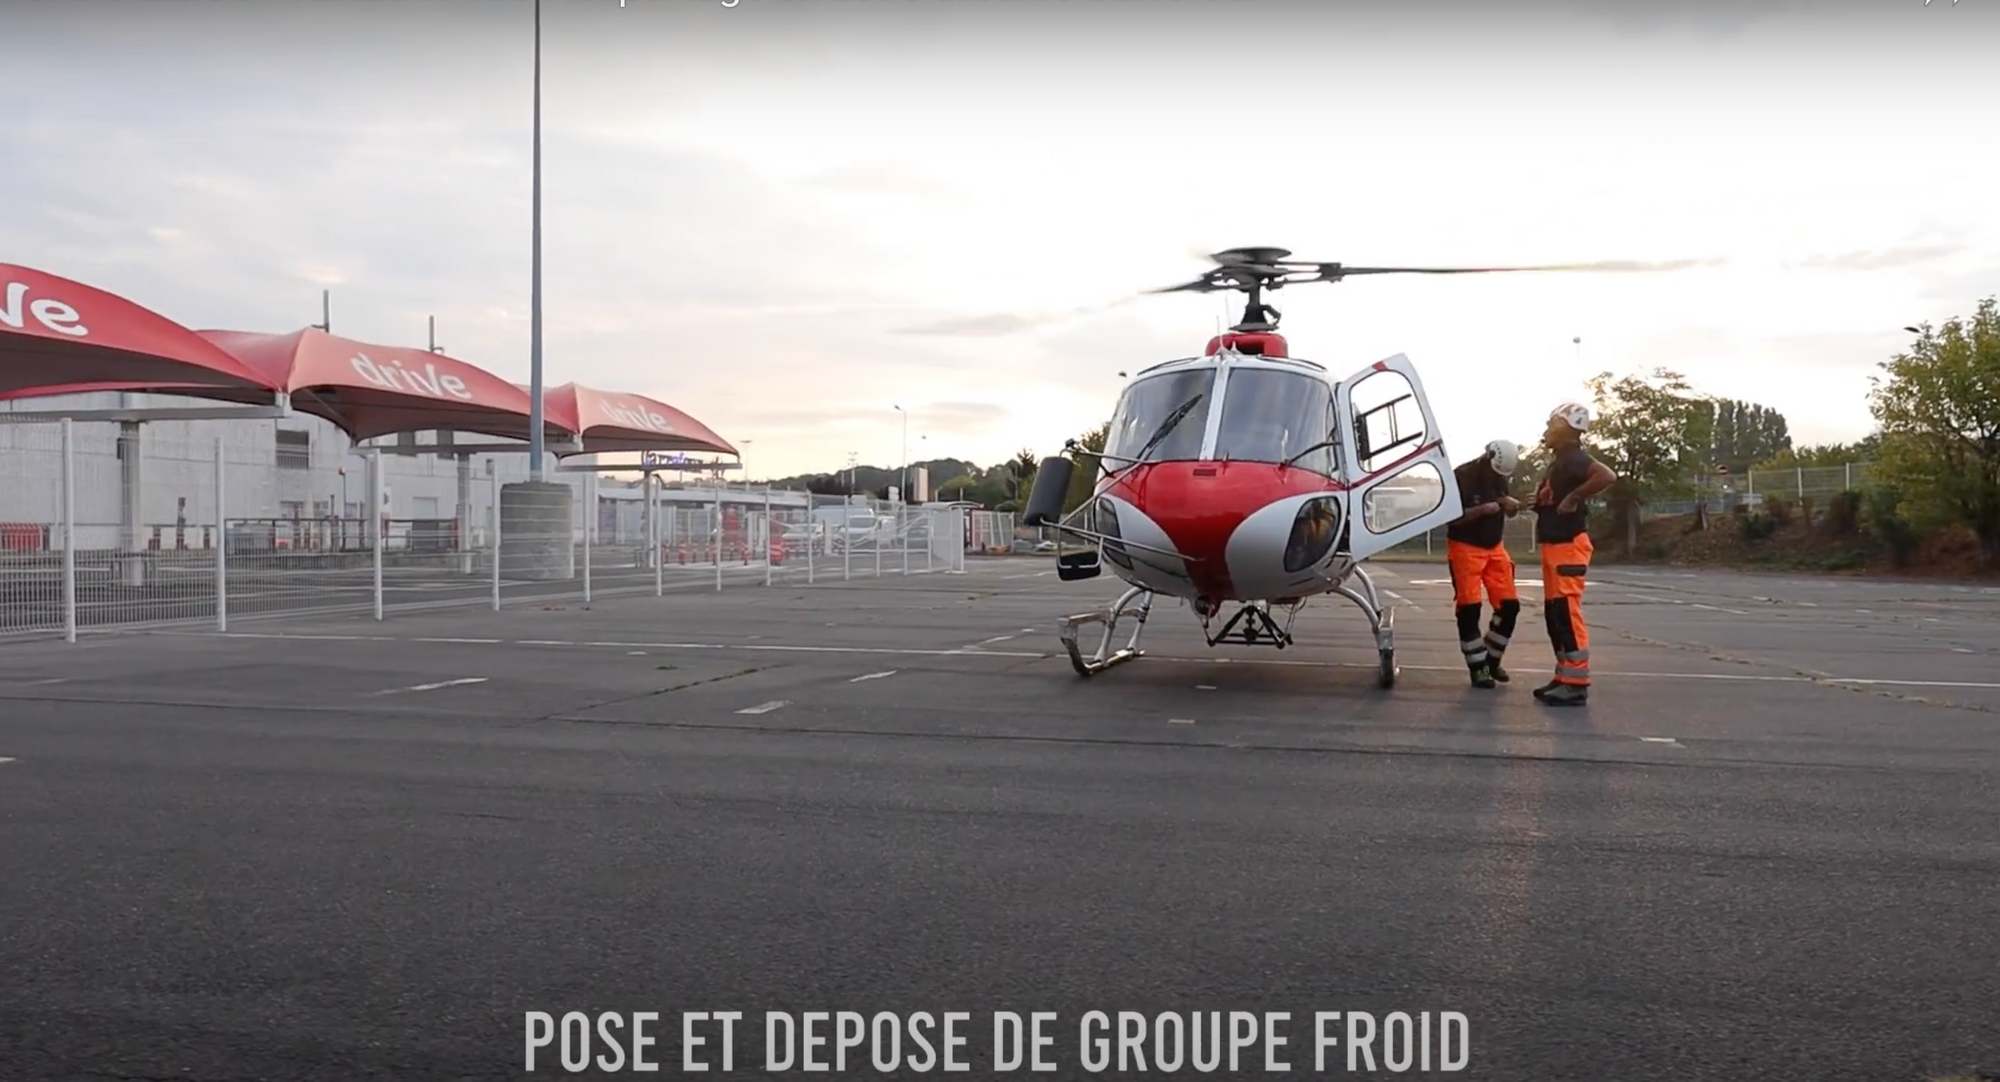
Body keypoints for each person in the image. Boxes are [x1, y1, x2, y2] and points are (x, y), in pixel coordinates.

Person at [1531, 403, 1619, 706]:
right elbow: (1554, 498)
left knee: (1566, 612)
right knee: (1555, 613)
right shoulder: (1560, 462)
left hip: (1568, 545)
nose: (1547, 430)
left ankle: (1576, 684)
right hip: (1555, 544)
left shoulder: (1575, 457)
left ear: (1564, 427)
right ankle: (1564, 675)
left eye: (1551, 424)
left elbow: (1606, 476)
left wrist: (1574, 497)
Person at [1446, 440, 1522, 689]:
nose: (1497, 477)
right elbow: (1452, 518)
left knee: (1510, 607)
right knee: (1469, 609)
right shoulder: (1462, 476)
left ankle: (1491, 660)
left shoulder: (1499, 477)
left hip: (1495, 547)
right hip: (1465, 547)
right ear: (1488, 458)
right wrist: (1481, 510)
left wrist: (1510, 507)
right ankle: (1478, 668)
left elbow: (1503, 506)